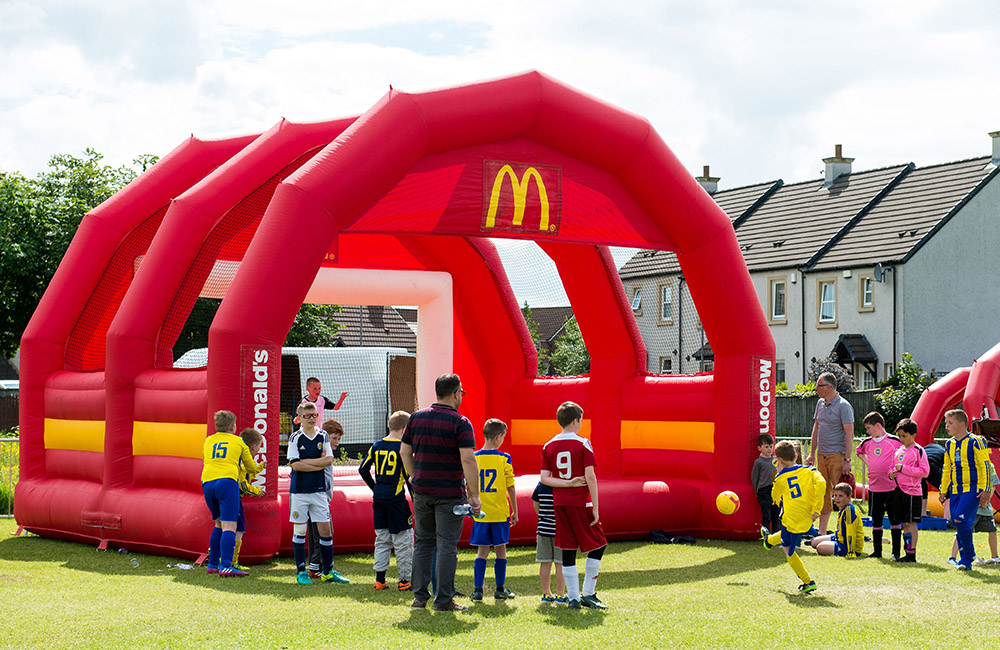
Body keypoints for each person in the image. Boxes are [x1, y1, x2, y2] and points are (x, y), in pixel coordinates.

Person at [399, 373, 480, 612]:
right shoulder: (461, 422)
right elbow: (468, 459)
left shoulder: (415, 418)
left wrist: (414, 477)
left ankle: (419, 598)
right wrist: (474, 496)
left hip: (422, 492)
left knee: (423, 543)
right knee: (446, 545)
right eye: (462, 392)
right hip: (450, 493)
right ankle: (443, 600)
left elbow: (404, 452)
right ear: (456, 393)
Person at [540, 401, 608, 611]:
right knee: (599, 544)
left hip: (560, 504)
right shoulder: (582, 443)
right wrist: (595, 507)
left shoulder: (548, 445)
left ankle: (573, 598)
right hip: (580, 502)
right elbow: (590, 476)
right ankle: (587, 593)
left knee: (567, 547)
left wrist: (565, 483)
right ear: (575, 420)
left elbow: (544, 478)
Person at [288, 401, 347, 584]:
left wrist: (306, 464)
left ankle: (328, 571)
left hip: (319, 491)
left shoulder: (323, 436)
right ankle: (301, 572)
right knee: (299, 531)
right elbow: (294, 465)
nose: (312, 419)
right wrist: (316, 463)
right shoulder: (295, 438)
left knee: (325, 531)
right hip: (299, 492)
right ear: (299, 419)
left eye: (314, 415)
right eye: (308, 416)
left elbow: (328, 460)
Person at [201, 410, 261, 577]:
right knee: (230, 525)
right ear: (233, 426)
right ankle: (226, 565)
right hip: (227, 482)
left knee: (218, 523)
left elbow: (206, 459)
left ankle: (213, 564)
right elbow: (249, 466)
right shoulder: (239, 441)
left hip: (207, 482)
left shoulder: (208, 440)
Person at [359, 410, 414, 591]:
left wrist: (375, 488)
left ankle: (380, 580)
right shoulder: (403, 449)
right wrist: (416, 501)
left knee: (382, 539)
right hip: (396, 499)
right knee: (403, 539)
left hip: (379, 498)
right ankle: (405, 579)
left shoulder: (376, 445)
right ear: (405, 429)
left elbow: (363, 469)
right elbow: (408, 477)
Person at [761, 440, 825, 593]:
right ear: (796, 456)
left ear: (779, 460)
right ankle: (769, 540)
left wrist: (776, 500)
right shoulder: (810, 471)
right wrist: (817, 508)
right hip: (808, 516)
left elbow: (774, 495)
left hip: (792, 517)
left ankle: (807, 581)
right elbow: (822, 483)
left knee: (787, 549)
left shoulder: (780, 478)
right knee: (786, 535)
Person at [470, 418, 519, 602]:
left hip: (481, 514)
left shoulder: (474, 457)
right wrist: (515, 510)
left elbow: (468, 485)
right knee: (501, 550)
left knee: (482, 552)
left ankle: (477, 591)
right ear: (498, 437)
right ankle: (499, 589)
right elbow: (511, 486)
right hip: (499, 513)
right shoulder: (504, 458)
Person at [939, 408, 991, 570]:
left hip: (973, 488)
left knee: (961, 520)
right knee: (956, 520)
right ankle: (966, 559)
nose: (946, 426)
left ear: (962, 425)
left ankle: (967, 558)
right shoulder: (949, 444)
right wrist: (943, 489)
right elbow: (947, 468)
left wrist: (987, 489)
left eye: (950, 423)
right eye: (945, 423)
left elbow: (985, 466)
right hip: (956, 490)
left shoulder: (975, 441)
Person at [805, 372, 854, 536]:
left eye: (819, 385)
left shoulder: (843, 405)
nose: (816, 388)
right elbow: (816, 428)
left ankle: (847, 531)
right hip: (821, 456)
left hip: (837, 456)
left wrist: (847, 459)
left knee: (841, 494)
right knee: (823, 495)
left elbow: (849, 434)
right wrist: (812, 453)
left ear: (829, 387)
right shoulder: (820, 403)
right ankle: (822, 532)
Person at [855, 412, 903, 559]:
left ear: (878, 425)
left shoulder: (894, 441)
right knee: (876, 520)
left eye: (869, 428)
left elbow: (904, 454)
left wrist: (895, 469)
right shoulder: (866, 442)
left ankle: (896, 552)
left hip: (892, 487)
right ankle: (877, 552)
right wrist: (870, 463)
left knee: (895, 520)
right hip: (875, 488)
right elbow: (858, 452)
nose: (867, 431)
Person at [306, 418, 344, 579]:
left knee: (316, 535)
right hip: (318, 499)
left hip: (315, 498)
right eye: (334, 438)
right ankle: (324, 569)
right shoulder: (322, 453)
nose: (337, 442)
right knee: (326, 533)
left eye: (339, 439)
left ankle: (315, 567)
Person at [888, 418, 929, 562]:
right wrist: (891, 473)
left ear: (913, 435)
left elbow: (924, 472)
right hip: (898, 491)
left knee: (910, 523)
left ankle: (912, 553)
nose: (901, 439)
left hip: (912, 492)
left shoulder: (918, 450)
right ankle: (907, 551)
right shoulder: (898, 450)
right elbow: (893, 467)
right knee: (903, 523)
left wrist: (903, 469)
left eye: (904, 436)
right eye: (899, 436)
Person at [949, 449, 1000, 566]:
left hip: (985, 509)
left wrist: (986, 500)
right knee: (962, 531)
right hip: (970, 507)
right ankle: (952, 557)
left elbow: (992, 486)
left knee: (992, 530)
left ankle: (995, 556)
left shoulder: (989, 466)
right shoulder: (967, 465)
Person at [232, 427, 267, 571]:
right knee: (238, 529)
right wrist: (257, 491)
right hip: (235, 499)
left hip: (226, 496)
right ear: (253, 447)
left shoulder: (238, 458)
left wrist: (258, 469)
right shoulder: (242, 461)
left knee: (223, 526)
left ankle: (217, 555)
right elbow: (243, 486)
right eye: (259, 446)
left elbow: (248, 472)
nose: (259, 450)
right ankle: (232, 561)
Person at [531, 480, 567, 603]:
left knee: (545, 563)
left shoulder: (541, 485)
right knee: (560, 563)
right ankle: (560, 595)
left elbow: (535, 504)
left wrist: (542, 518)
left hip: (543, 530)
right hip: (560, 530)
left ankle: (546, 593)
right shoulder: (562, 485)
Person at [809, 482, 864, 557]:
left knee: (820, 547)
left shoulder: (849, 511)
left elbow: (851, 533)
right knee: (813, 542)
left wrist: (851, 552)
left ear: (849, 497)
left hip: (847, 545)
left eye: (840, 496)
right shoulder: (843, 508)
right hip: (838, 538)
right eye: (835, 495)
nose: (837, 498)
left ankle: (845, 550)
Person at [752, 433, 780, 534]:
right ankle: (767, 536)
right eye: (766, 447)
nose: (769, 449)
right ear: (759, 448)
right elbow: (755, 478)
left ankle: (777, 536)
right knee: (766, 516)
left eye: (771, 446)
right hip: (764, 491)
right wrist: (757, 493)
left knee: (776, 516)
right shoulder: (758, 462)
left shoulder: (776, 460)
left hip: (775, 491)